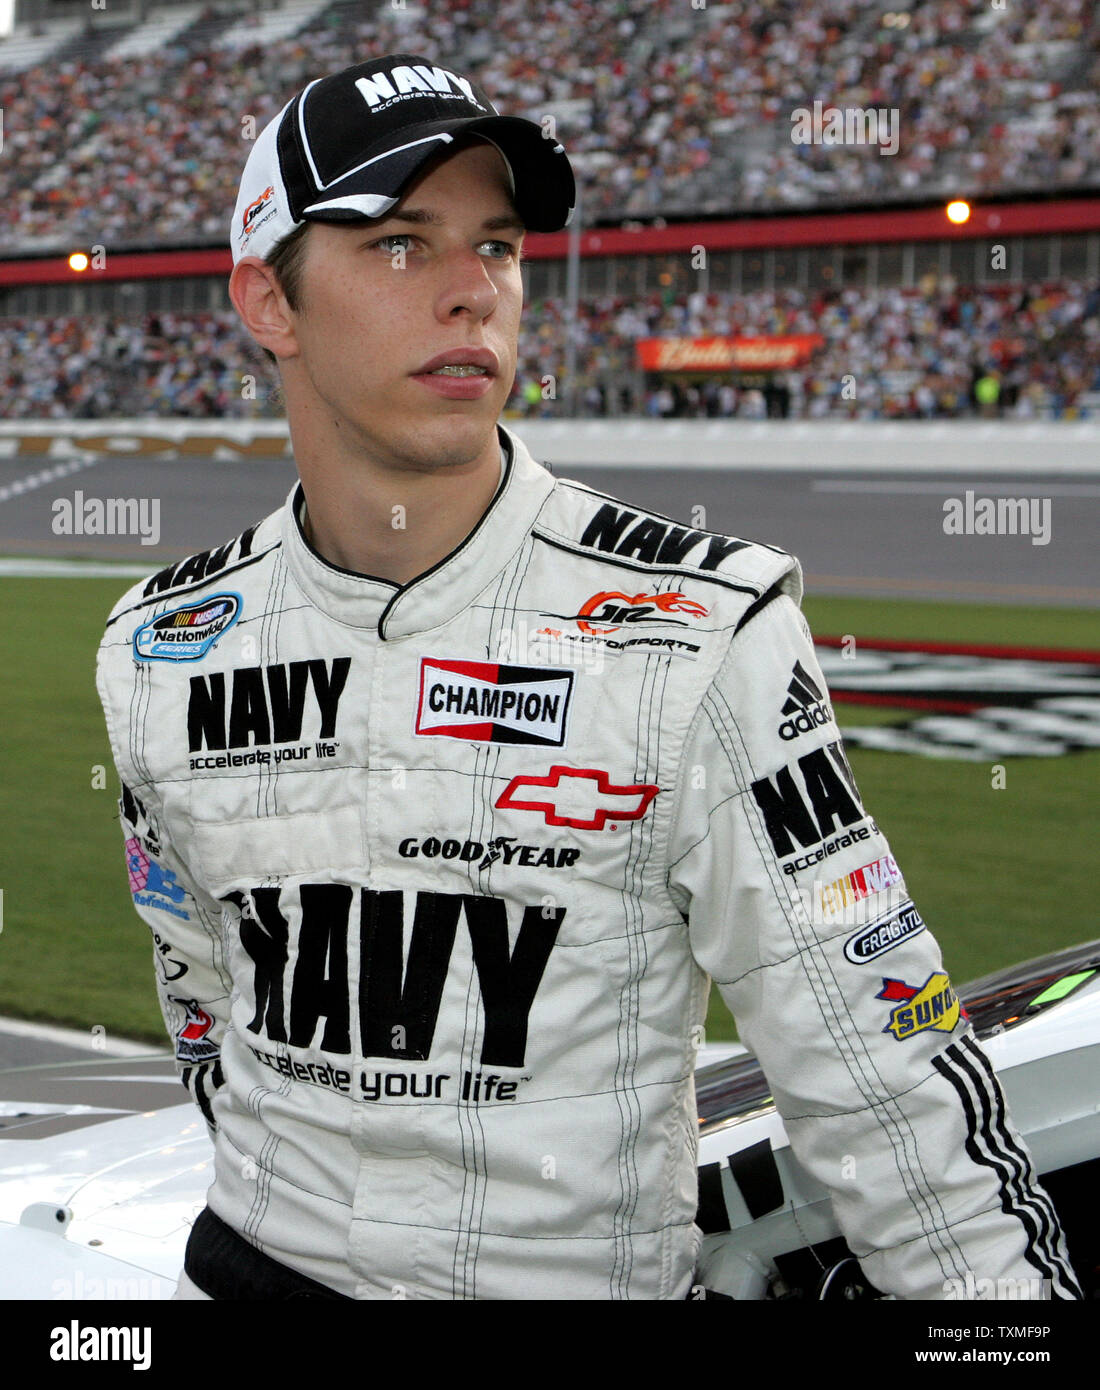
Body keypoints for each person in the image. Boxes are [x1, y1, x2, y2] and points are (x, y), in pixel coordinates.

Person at [97, 53, 1079, 1302]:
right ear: (268, 303)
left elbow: (882, 1082)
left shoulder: (693, 630)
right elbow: (204, 1007)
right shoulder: (162, 644)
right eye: (401, 243)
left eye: (495, 246)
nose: (471, 292)